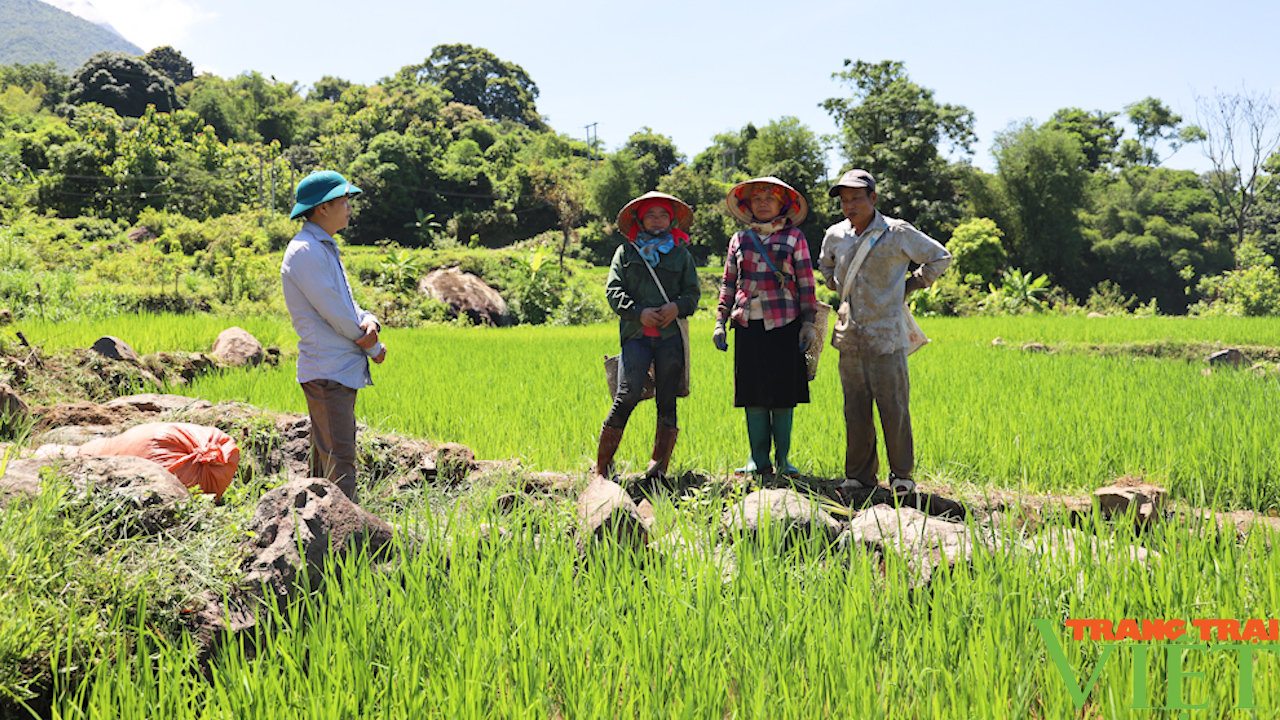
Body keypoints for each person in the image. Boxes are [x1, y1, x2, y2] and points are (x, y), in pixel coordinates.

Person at [818, 169, 951, 497]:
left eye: (856, 198)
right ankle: (859, 476)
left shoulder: (896, 232)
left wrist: (910, 285)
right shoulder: (835, 234)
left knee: (893, 407)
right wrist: (837, 286)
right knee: (855, 408)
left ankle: (901, 475)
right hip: (849, 336)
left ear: (873, 199)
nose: (850, 205)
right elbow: (825, 266)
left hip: (886, 334)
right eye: (844, 200)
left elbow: (939, 257)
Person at [281, 170, 387, 503]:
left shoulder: (323, 247)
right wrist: (373, 347)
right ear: (322, 208)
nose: (349, 207)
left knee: (327, 462)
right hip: (328, 373)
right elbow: (337, 314)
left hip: (335, 371)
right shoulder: (305, 251)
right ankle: (344, 545)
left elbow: (347, 301)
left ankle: (315, 536)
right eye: (343, 201)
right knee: (341, 467)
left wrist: (369, 320)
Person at [713, 177, 820, 477]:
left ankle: (784, 460)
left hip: (786, 323)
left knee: (784, 394)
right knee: (752, 394)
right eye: (757, 198)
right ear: (748, 205)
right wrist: (720, 322)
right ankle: (757, 459)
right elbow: (728, 282)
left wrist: (808, 323)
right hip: (748, 324)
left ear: (781, 205)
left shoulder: (794, 237)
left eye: (769, 198)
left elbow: (806, 282)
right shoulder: (739, 239)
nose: (763, 203)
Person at [596, 191, 700, 481]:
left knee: (667, 400)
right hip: (637, 336)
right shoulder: (626, 252)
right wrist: (638, 312)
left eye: (663, 214)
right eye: (651, 214)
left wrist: (675, 307)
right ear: (639, 220)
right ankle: (602, 469)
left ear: (672, 219)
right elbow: (614, 291)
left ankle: (658, 470)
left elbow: (692, 294)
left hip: (670, 339)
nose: (657, 219)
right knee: (626, 396)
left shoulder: (681, 254)